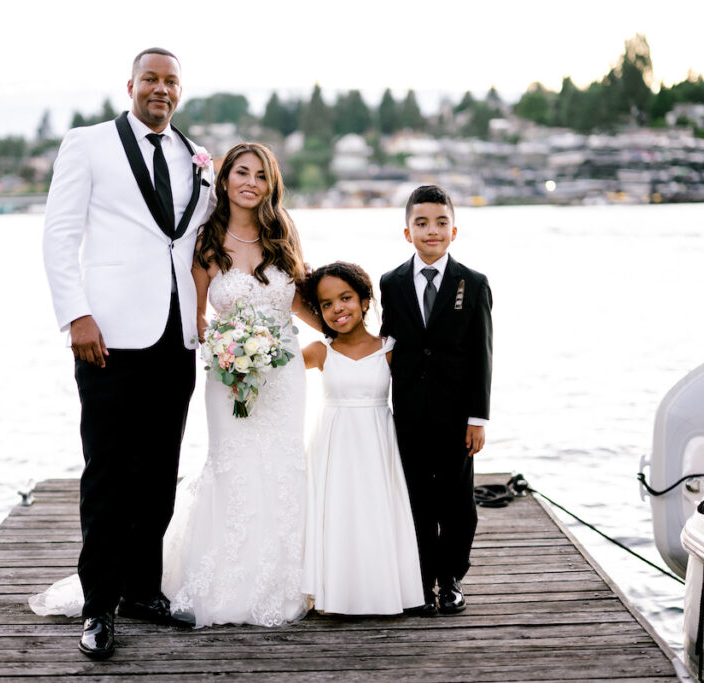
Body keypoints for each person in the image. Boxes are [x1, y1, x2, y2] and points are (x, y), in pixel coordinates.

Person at [40, 47, 215, 660]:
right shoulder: (87, 144)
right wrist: (75, 314)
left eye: (171, 82)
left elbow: (198, 243)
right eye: (151, 79)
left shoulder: (195, 157)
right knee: (110, 471)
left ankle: (144, 591)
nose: (161, 90)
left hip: (176, 338)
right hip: (107, 336)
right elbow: (60, 234)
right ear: (131, 85)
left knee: (160, 470)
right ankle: (99, 605)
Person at [161, 142, 320, 628]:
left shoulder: (282, 232)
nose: (250, 182)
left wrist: (346, 337)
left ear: (271, 185)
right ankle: (224, 582)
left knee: (282, 469)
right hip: (228, 376)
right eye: (241, 173)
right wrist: (225, 350)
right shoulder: (206, 238)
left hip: (284, 375)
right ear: (225, 179)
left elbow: (297, 303)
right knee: (233, 469)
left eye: (261, 175)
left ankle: (284, 581)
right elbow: (197, 313)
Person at [379, 185, 493, 616]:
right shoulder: (391, 282)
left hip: (455, 414)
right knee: (417, 501)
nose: (432, 231)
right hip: (407, 410)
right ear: (407, 232)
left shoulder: (473, 283)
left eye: (441, 223)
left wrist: (477, 417)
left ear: (454, 230)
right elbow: (389, 340)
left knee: (457, 501)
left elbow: (482, 354)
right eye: (422, 223)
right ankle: (423, 581)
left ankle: (452, 579)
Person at [299, 262, 423, 615]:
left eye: (346, 298)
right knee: (337, 513)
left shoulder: (389, 349)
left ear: (365, 300)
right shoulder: (321, 350)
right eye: (326, 304)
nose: (337, 309)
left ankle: (384, 590)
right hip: (333, 447)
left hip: (377, 445)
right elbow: (277, 372)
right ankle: (334, 592)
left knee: (374, 512)